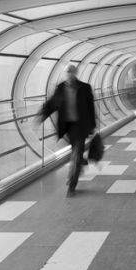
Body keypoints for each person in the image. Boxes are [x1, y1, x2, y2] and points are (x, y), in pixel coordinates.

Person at [38, 64, 97, 197]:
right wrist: (42, 115)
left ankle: (72, 183)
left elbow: (91, 108)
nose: (69, 74)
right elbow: (53, 103)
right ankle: (79, 161)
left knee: (76, 152)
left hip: (80, 126)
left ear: (76, 73)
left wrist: (92, 125)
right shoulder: (61, 88)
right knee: (75, 151)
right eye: (67, 72)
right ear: (64, 74)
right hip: (67, 127)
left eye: (71, 72)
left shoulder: (85, 88)